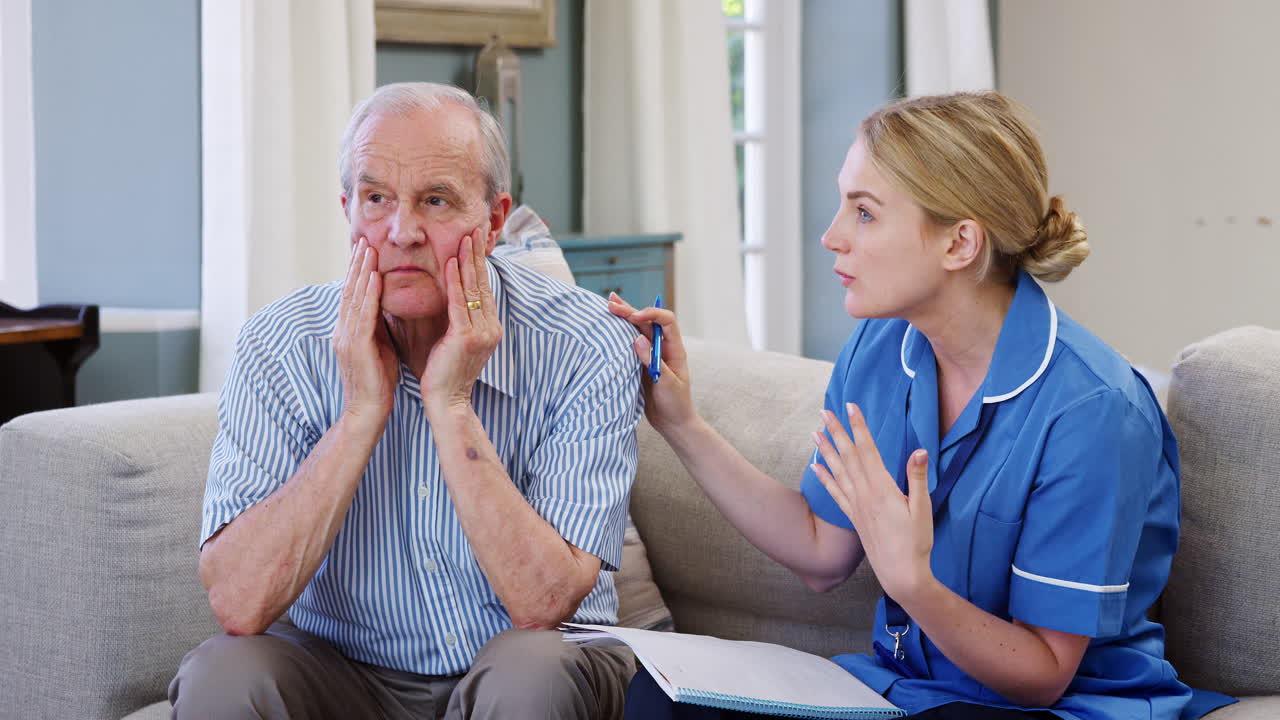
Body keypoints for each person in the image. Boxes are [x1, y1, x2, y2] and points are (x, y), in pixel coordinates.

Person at [609, 92, 1235, 720]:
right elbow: (823, 552)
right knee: (662, 700)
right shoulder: (882, 348)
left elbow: (1043, 674)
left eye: (864, 213)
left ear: (960, 243)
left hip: (1056, 708)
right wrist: (681, 423)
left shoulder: (1093, 410)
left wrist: (914, 584)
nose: (831, 237)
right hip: (905, 693)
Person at [168, 82, 643, 719]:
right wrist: (362, 413)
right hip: (342, 671)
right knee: (224, 674)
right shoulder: (279, 343)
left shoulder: (584, 344)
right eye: (376, 199)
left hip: (533, 660)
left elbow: (543, 603)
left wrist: (451, 404)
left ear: (494, 220)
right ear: (347, 209)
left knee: (530, 671)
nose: (402, 231)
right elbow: (238, 602)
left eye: (436, 200)